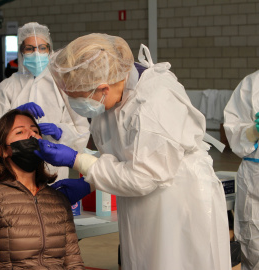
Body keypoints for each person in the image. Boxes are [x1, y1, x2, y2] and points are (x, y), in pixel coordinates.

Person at [35, 33, 231, 270]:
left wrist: (79, 161)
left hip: (177, 203)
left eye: (79, 98)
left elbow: (142, 175)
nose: (78, 106)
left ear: (103, 88)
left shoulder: (153, 103)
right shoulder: (111, 100)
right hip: (145, 202)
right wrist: (90, 181)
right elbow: (126, 156)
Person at [0, 22, 90, 181]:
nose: (36, 53)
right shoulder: (8, 87)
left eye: (42, 48)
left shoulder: (62, 87)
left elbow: (82, 130)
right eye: (29, 48)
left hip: (53, 169)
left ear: (50, 50)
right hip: (14, 170)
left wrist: (60, 131)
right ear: (21, 51)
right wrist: (13, 115)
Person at [0, 109, 85, 269]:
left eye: (35, 131)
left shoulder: (58, 200)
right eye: (20, 132)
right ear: (2, 150)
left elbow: (74, 262)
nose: (32, 135)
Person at [224, 71, 259, 269]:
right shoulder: (251, 84)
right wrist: (254, 130)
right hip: (254, 175)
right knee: (252, 246)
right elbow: (233, 130)